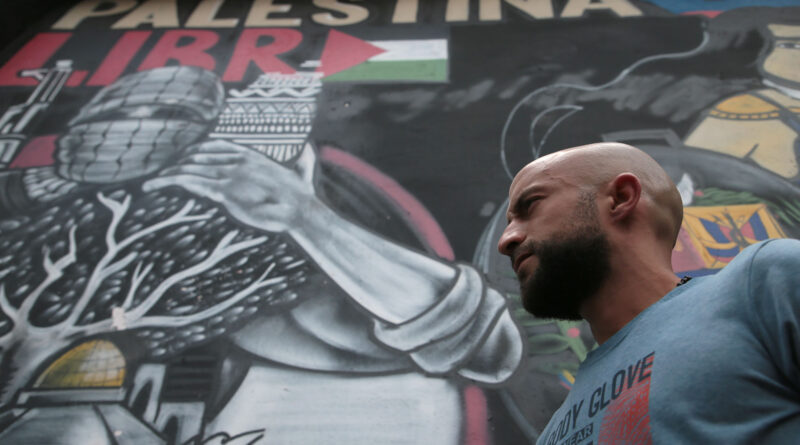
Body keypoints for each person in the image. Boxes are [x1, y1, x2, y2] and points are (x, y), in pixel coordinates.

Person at [497, 142, 800, 444]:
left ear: (621, 198)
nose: (506, 241)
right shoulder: (552, 435)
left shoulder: (763, 284)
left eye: (531, 205)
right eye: (510, 222)